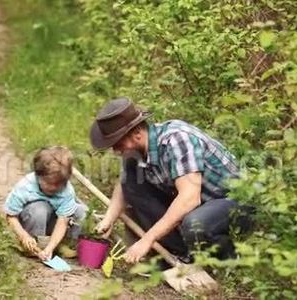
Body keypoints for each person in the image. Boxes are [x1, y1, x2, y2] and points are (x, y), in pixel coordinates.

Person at [91, 97, 254, 264]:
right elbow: (126, 185)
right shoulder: (137, 152)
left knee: (195, 224)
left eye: (118, 144)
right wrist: (109, 218)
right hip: (200, 203)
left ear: (137, 134)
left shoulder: (177, 139)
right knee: (131, 182)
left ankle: (229, 259)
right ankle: (182, 253)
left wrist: (147, 239)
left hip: (232, 201)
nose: (115, 150)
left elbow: (189, 198)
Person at [4, 146, 88, 261]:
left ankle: (60, 244)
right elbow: (11, 216)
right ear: (38, 175)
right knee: (40, 209)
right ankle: (33, 245)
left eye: (59, 184)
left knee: (80, 211)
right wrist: (24, 236)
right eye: (49, 183)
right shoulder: (26, 187)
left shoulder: (67, 191)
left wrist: (50, 247)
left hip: (54, 225)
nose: (54, 188)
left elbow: (63, 221)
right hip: (33, 224)